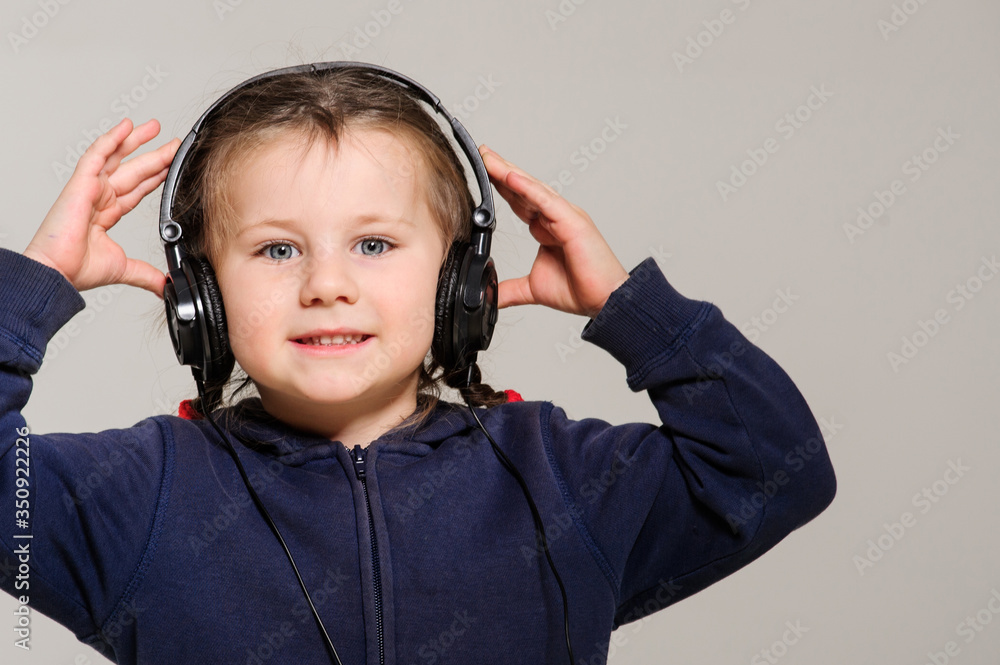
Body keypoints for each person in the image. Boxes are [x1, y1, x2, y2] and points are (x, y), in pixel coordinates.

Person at [0, 63, 836, 665]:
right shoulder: (135, 497)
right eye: (277, 248)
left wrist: (629, 306)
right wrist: (32, 288)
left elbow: (773, 467)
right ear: (201, 295)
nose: (328, 284)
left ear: (459, 281)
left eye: (374, 243)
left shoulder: (561, 477)